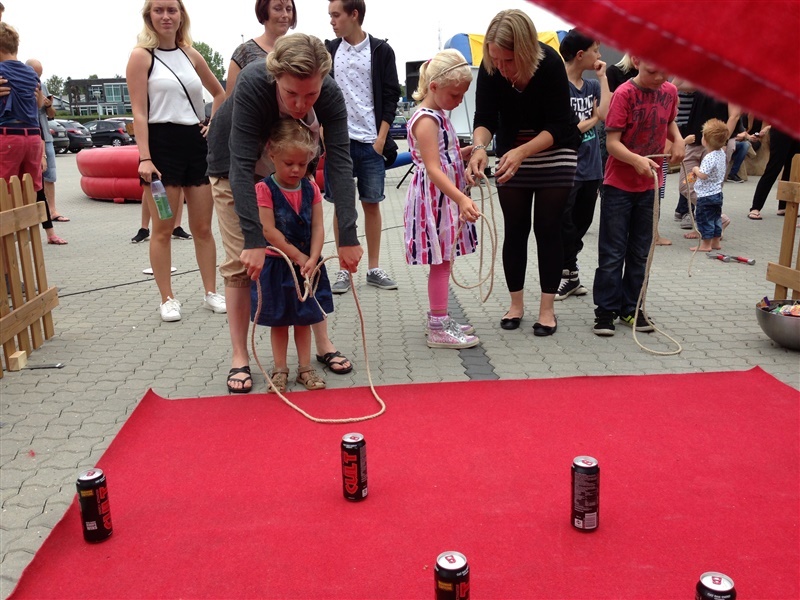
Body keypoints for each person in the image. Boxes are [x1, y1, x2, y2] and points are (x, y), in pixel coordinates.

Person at [210, 33, 363, 391]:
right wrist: (253, 240)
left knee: (307, 256)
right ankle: (240, 357)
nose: (300, 104)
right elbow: (241, 165)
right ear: (276, 75)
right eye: (291, 93)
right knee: (243, 262)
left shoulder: (329, 92)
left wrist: (348, 236)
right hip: (235, 166)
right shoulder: (254, 83)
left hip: (290, 163)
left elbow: (340, 163)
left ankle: (322, 344)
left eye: (310, 95)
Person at [466, 9, 579, 337]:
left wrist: (522, 152)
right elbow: (485, 117)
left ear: (527, 50)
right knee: (515, 227)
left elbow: (559, 125)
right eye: (496, 59)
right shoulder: (491, 67)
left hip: (555, 148)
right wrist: (479, 147)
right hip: (512, 149)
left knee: (547, 227)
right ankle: (516, 305)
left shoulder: (551, 63)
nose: (501, 67)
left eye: (509, 60)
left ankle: (547, 310)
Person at [126, 0, 227, 322]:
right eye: (159, 10)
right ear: (149, 16)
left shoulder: (190, 54)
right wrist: (145, 157)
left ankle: (211, 292)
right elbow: (139, 112)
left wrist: (211, 123)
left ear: (181, 15)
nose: (166, 16)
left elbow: (220, 93)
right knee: (163, 228)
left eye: (172, 10)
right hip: (161, 148)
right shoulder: (141, 56)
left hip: (195, 145)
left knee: (203, 228)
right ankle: (167, 298)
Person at [593, 57, 684, 336]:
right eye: (653, 70)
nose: (659, 77)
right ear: (636, 61)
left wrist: (678, 140)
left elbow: (670, 122)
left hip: (649, 185)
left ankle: (632, 308)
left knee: (641, 251)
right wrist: (635, 160)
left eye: (665, 71)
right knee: (613, 251)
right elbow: (612, 143)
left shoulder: (670, 91)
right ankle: (606, 310)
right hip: (619, 185)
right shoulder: (624, 93)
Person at [404, 49, 480, 349]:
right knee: (441, 261)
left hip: (442, 197)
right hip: (436, 200)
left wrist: (463, 153)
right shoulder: (427, 121)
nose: (459, 101)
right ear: (434, 86)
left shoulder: (438, 116)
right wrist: (461, 199)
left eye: (462, 95)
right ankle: (438, 324)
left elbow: (442, 156)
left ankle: (440, 316)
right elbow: (433, 168)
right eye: (454, 95)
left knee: (445, 259)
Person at [325, 0, 401, 294]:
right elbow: (319, 92)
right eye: (330, 16)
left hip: (371, 142)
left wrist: (381, 138)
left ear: (354, 14)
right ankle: (343, 269)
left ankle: (373, 267)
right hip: (339, 144)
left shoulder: (381, 50)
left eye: (336, 15)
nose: (332, 21)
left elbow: (391, 95)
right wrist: (324, 134)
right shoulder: (329, 50)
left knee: (372, 203)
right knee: (341, 207)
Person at [252, 119, 330, 393]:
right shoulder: (265, 188)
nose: (296, 169)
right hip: (278, 265)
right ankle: (280, 369)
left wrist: (314, 257)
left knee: (304, 318)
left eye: (302, 163)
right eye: (289, 163)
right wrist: (298, 256)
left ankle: (305, 368)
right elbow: (268, 230)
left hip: (307, 265)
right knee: (280, 321)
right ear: (272, 154)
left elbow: (318, 226)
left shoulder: (311, 188)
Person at [555, 29, 610, 301]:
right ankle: (567, 273)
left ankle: (570, 274)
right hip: (566, 167)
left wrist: (603, 78)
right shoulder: (557, 86)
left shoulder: (592, 86)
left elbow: (606, 114)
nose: (599, 56)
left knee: (581, 223)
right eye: (595, 50)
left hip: (592, 168)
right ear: (580, 54)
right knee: (564, 223)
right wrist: (593, 120)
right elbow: (569, 129)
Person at [0, 23, 65, 247]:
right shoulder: (31, 74)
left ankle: (9, 243)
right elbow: (38, 105)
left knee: (4, 190)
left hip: (8, 136)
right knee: (33, 190)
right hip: (32, 138)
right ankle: (34, 237)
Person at [26, 59, 69, 230]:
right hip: (29, 136)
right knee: (28, 177)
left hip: (46, 136)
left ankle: (52, 211)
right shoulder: (20, 84)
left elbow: (51, 115)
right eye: (35, 74)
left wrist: (49, 105)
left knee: (50, 175)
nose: (37, 78)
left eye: (40, 74)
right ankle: (31, 213)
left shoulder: (42, 86)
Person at [226, 0, 296, 98]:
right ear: (263, 11)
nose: (285, 15)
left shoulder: (298, 52)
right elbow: (230, 102)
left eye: (288, 9)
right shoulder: (244, 52)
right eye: (278, 9)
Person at [688, 119, 728, 252]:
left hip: (706, 195)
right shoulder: (721, 153)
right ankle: (716, 242)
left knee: (704, 219)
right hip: (717, 193)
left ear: (705, 140)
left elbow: (703, 174)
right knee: (716, 218)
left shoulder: (709, 157)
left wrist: (695, 170)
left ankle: (705, 245)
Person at [748, 127, 800, 219]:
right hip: (782, 129)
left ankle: (783, 206)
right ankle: (756, 207)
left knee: (792, 168)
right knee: (773, 168)